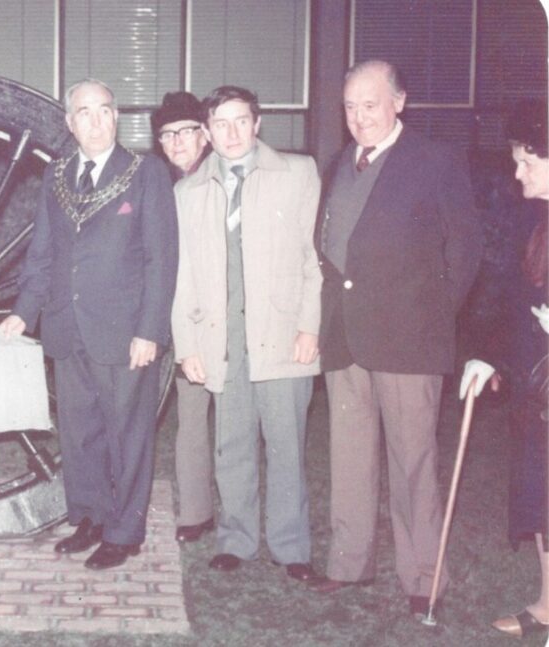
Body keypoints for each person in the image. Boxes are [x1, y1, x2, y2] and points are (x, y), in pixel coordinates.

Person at [310, 60, 483, 619]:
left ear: (399, 102)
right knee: (351, 459)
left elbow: (465, 252)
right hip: (347, 341)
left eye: (371, 104)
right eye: (351, 107)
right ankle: (349, 562)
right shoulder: (341, 163)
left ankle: (422, 576)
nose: (360, 117)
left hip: (409, 343)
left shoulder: (436, 162)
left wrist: (431, 316)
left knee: (413, 465)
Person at [0, 79, 178, 570]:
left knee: (128, 434)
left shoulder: (146, 174)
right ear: (69, 122)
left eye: (104, 111)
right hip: (65, 326)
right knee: (79, 434)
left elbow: (162, 261)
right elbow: (42, 254)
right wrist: (23, 311)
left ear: (116, 117)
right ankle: (91, 518)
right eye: (85, 112)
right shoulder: (56, 175)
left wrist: (151, 330)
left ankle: (124, 532)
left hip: (124, 333)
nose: (96, 121)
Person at [171, 86, 321, 581]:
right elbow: (185, 274)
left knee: (285, 445)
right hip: (223, 340)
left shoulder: (297, 173)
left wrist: (308, 325)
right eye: (220, 124)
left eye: (241, 121)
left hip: (281, 335)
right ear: (207, 132)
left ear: (257, 124)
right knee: (230, 444)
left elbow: (311, 259)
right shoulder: (188, 191)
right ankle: (236, 540)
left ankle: (291, 546)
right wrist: (188, 346)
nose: (232, 133)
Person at [459, 99, 549, 638]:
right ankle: (547, 603)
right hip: (537, 389)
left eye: (527, 162)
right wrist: (487, 352)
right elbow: (510, 294)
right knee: (540, 492)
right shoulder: (531, 218)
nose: (516, 173)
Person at [151, 91, 216, 544]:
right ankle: (188, 510)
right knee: (171, 416)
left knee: (212, 422)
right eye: (167, 135)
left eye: (185, 132)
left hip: (210, 322)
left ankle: (212, 512)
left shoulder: (220, 179)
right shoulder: (164, 184)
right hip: (172, 322)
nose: (176, 142)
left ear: (204, 134)